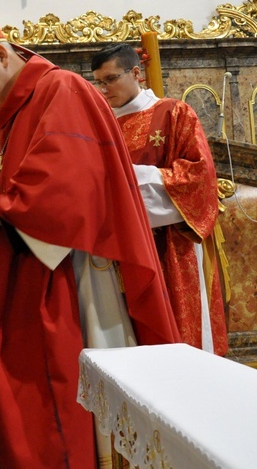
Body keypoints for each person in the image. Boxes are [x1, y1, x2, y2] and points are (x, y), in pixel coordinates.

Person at [0, 0, 180, 469]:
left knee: (82, 425)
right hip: (30, 284)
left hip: (76, 286)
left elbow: (73, 185)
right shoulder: (6, 123)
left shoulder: (61, 89)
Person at [91, 43, 228, 356]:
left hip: (171, 246)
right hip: (119, 251)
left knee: (176, 338)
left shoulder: (173, 113)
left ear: (136, 72)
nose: (104, 88)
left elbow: (198, 177)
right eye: (99, 81)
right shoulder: (101, 124)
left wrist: (129, 179)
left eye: (110, 79)